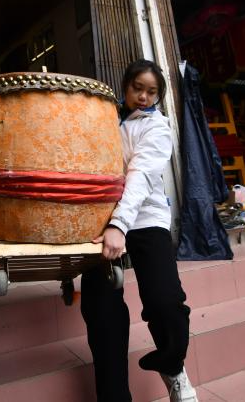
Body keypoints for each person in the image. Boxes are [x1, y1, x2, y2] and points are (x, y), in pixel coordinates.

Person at [81, 59, 197, 402]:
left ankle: (173, 366)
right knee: (101, 311)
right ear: (125, 85)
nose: (143, 97)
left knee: (165, 302)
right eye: (137, 88)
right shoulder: (106, 116)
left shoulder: (158, 128)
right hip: (100, 220)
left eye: (151, 92)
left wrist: (120, 224)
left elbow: (141, 177)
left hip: (145, 218)